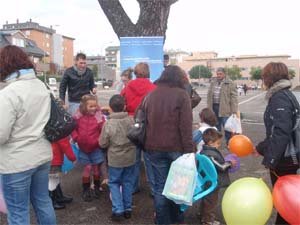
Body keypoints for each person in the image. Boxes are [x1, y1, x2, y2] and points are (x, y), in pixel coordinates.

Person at [0, 45, 56, 225]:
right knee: (43, 201)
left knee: (18, 212)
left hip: (17, 161)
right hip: (42, 155)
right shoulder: (41, 86)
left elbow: (1, 134)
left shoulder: (8, 93)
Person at [143, 65, 194, 225]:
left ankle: (162, 221)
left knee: (160, 187)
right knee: (178, 187)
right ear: (179, 78)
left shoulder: (151, 94)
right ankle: (177, 219)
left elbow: (143, 118)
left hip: (153, 147)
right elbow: (185, 126)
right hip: (176, 148)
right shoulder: (182, 95)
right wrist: (189, 151)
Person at [255, 62, 299, 225]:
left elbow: (281, 132)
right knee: (287, 200)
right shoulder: (284, 94)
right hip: (288, 156)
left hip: (286, 159)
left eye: (264, 76)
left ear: (270, 77)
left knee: (285, 200)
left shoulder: (280, 97)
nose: (262, 80)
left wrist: (270, 160)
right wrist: (261, 148)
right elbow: (276, 132)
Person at [99, 94, 136, 222]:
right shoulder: (131, 120)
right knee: (127, 182)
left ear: (110, 108)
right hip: (130, 156)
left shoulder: (108, 124)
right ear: (124, 106)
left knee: (114, 183)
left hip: (115, 158)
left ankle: (118, 209)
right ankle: (128, 208)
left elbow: (102, 143)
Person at [121, 62, 156, 195]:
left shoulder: (129, 86)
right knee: (149, 159)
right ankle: (153, 189)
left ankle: (134, 186)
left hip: (132, 122)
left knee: (133, 159)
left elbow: (121, 99)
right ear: (147, 72)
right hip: (147, 123)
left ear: (135, 72)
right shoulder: (153, 87)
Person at [71, 94, 107, 202]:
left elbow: (103, 130)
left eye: (95, 106)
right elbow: (73, 128)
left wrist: (99, 141)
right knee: (87, 168)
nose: (93, 108)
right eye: (90, 106)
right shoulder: (78, 117)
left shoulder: (99, 117)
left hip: (95, 147)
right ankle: (86, 190)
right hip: (83, 148)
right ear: (84, 106)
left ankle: (96, 188)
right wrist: (76, 137)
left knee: (96, 168)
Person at [200, 128, 236, 225]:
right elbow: (221, 167)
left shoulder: (204, 151)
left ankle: (203, 215)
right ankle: (208, 220)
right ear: (211, 142)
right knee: (211, 202)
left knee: (207, 199)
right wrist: (229, 163)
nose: (219, 145)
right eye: (218, 143)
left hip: (207, 181)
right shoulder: (210, 154)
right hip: (212, 182)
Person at [207, 67, 238, 142]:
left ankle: (229, 142)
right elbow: (209, 95)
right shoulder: (213, 82)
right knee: (216, 127)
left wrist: (234, 110)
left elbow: (234, 97)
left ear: (224, 74)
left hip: (225, 108)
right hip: (214, 107)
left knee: (227, 127)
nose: (218, 75)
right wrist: (209, 108)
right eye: (217, 74)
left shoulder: (230, 83)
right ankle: (217, 142)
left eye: (220, 74)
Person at [49, 137, 76, 210]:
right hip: (55, 158)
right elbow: (65, 145)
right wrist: (72, 158)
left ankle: (59, 197)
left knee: (54, 179)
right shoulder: (60, 130)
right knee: (52, 181)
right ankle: (52, 202)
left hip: (49, 157)